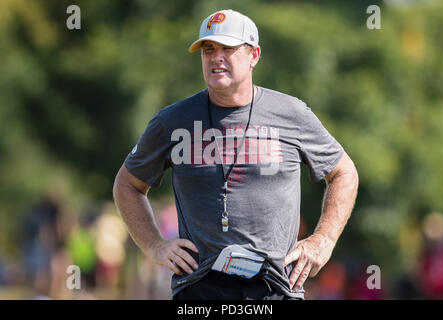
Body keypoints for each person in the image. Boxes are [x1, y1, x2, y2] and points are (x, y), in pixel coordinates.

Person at [113, 9, 359, 300]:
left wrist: (323, 240)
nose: (216, 57)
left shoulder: (292, 114)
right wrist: (154, 245)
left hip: (275, 288)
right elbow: (127, 185)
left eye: (228, 48)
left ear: (254, 55)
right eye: (208, 49)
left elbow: (344, 172)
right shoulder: (172, 121)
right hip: (199, 289)